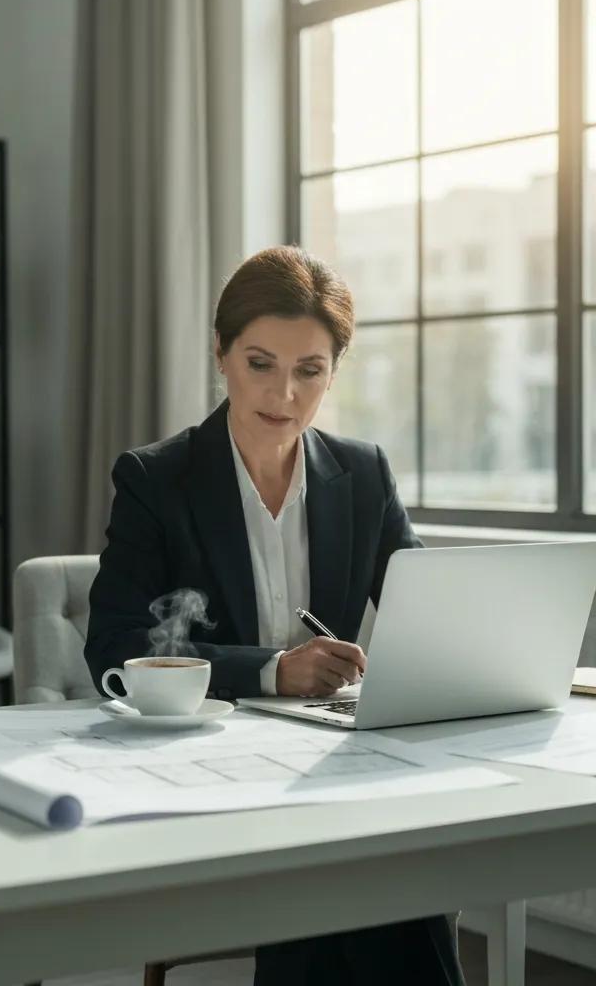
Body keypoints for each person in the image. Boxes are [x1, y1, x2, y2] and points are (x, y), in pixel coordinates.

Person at [84, 245, 464, 986]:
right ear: (220, 353)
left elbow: (432, 615)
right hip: (206, 761)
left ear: (333, 371)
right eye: (260, 363)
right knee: (358, 857)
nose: (284, 392)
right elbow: (112, 647)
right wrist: (270, 670)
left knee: (368, 844)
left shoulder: (363, 474)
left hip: (327, 754)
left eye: (309, 371)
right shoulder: (157, 479)